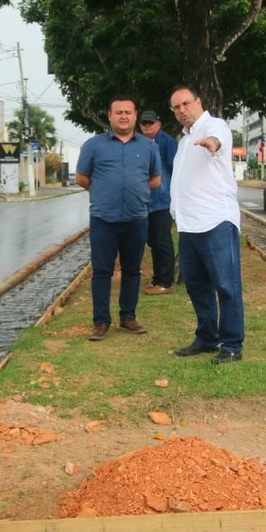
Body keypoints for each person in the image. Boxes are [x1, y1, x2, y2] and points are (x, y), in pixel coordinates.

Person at [167, 84, 244, 364]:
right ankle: (207, 337)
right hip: (188, 226)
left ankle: (232, 344)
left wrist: (212, 142)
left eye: (186, 104)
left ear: (198, 102)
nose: (182, 110)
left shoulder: (214, 125)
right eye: (176, 107)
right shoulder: (183, 140)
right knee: (197, 286)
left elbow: (218, 138)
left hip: (215, 222)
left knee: (226, 285)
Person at [75, 94, 162, 341]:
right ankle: (101, 321)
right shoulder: (93, 145)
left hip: (137, 217)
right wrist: (105, 191)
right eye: (118, 112)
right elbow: (81, 178)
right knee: (102, 271)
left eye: (128, 112)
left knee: (132, 270)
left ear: (135, 116)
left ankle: (128, 317)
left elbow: (155, 179)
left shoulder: (148, 146)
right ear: (110, 116)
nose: (123, 116)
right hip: (103, 218)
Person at [138, 110, 179, 295]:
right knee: (153, 241)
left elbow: (175, 170)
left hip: (163, 202)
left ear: (158, 124)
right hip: (145, 202)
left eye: (150, 123)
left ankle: (165, 282)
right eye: (144, 123)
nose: (147, 127)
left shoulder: (168, 142)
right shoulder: (139, 143)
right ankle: (157, 279)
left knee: (163, 242)